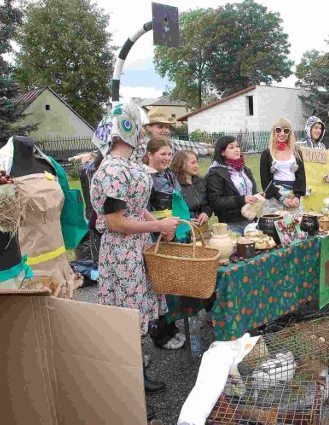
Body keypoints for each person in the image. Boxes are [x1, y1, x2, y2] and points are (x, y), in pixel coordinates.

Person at [89, 102, 180, 421]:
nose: (144, 133)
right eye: (138, 127)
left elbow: (136, 206)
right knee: (128, 323)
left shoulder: (128, 166)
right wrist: (157, 226)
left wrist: (159, 224)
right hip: (123, 253)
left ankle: (137, 379)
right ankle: (128, 397)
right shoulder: (113, 170)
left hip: (137, 248)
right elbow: (116, 222)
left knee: (137, 322)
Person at [143, 136, 189, 351]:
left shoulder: (170, 173)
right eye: (163, 154)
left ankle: (170, 327)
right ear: (150, 154)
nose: (167, 158)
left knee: (172, 283)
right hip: (155, 233)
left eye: (170, 154)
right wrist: (161, 227)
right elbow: (141, 210)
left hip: (172, 231)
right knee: (158, 284)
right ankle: (159, 334)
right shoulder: (142, 176)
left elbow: (177, 199)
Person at [206, 136, 259, 234]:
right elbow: (215, 201)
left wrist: (257, 196)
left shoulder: (245, 170)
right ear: (222, 152)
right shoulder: (216, 173)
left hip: (250, 221)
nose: (236, 150)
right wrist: (242, 199)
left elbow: (252, 191)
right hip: (231, 224)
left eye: (237, 146)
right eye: (231, 147)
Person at [260, 118, 307, 214]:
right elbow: (265, 181)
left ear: (290, 133)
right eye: (278, 130)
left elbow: (301, 176)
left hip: (293, 198)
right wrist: (281, 198)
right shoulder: (267, 153)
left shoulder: (296, 151)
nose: (282, 134)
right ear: (274, 131)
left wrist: (297, 197)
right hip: (275, 197)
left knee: (294, 226)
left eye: (286, 130)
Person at [132, 110, 213, 163]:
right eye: (160, 127)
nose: (165, 130)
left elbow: (189, 145)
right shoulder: (141, 146)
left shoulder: (170, 143)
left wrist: (209, 149)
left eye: (167, 127)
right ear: (148, 128)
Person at [171, 150, 212, 230]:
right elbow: (171, 210)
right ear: (181, 164)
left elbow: (209, 202)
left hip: (201, 228)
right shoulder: (173, 185)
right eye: (193, 163)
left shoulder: (201, 181)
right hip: (181, 231)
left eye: (197, 163)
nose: (197, 166)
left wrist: (206, 213)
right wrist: (186, 220)